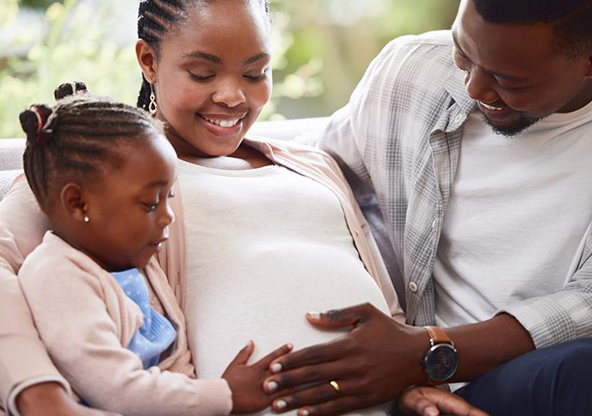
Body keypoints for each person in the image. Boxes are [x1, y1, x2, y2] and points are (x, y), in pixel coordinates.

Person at [1, 1, 479, 416]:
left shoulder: (313, 166)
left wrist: (412, 384)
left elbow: (385, 314)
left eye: (255, 73)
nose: (233, 95)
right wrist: (40, 396)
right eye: (202, 73)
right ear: (149, 60)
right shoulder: (95, 177)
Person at [258, 0, 592, 415]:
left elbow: (586, 306)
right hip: (408, 382)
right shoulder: (414, 73)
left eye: (510, 80)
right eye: (463, 54)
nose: (473, 89)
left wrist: (425, 353)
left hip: (532, 381)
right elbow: (311, 171)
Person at [14, 82, 295, 416]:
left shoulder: (132, 262)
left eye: (169, 198)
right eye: (149, 204)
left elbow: (176, 361)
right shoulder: (57, 275)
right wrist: (224, 395)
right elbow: (117, 389)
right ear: (77, 203)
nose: (168, 217)